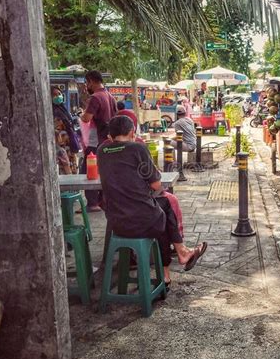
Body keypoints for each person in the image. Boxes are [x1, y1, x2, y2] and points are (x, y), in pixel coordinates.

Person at [97, 115, 207, 288]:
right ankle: (179, 256)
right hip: (141, 220)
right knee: (163, 210)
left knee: (159, 210)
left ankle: (173, 266)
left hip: (116, 223)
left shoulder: (101, 151)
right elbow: (156, 184)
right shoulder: (136, 149)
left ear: (110, 135)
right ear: (132, 132)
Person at [80, 70, 117, 211]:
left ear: (91, 81)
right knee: (103, 171)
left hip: (96, 141)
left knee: (88, 171)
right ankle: (102, 201)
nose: (86, 86)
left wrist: (81, 115)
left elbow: (86, 118)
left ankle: (92, 203)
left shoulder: (95, 97)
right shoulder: (109, 96)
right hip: (107, 140)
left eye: (86, 83)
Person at [51, 86, 80, 174]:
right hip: (61, 148)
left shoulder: (64, 110)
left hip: (70, 147)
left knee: (73, 170)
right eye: (54, 95)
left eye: (59, 94)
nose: (58, 96)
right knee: (65, 172)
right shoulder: (52, 111)